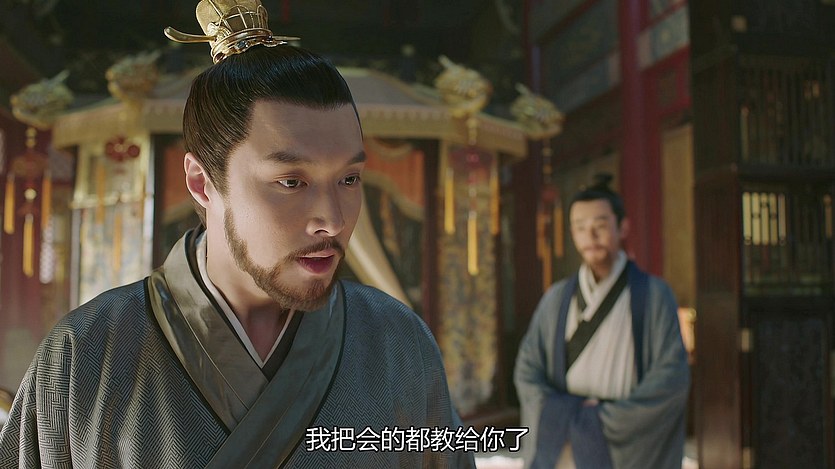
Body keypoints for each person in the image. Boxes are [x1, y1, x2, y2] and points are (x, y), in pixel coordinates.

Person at [0, 1, 475, 467]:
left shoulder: (397, 341)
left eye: (349, 179)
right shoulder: (85, 355)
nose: (332, 220)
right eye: (291, 182)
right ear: (202, 183)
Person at [513, 174, 690, 469]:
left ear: (623, 227)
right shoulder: (556, 298)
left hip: (624, 444)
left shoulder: (655, 296)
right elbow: (527, 369)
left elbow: (671, 377)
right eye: (580, 227)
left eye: (600, 225)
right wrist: (565, 414)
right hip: (564, 441)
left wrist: (606, 419)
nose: (590, 236)